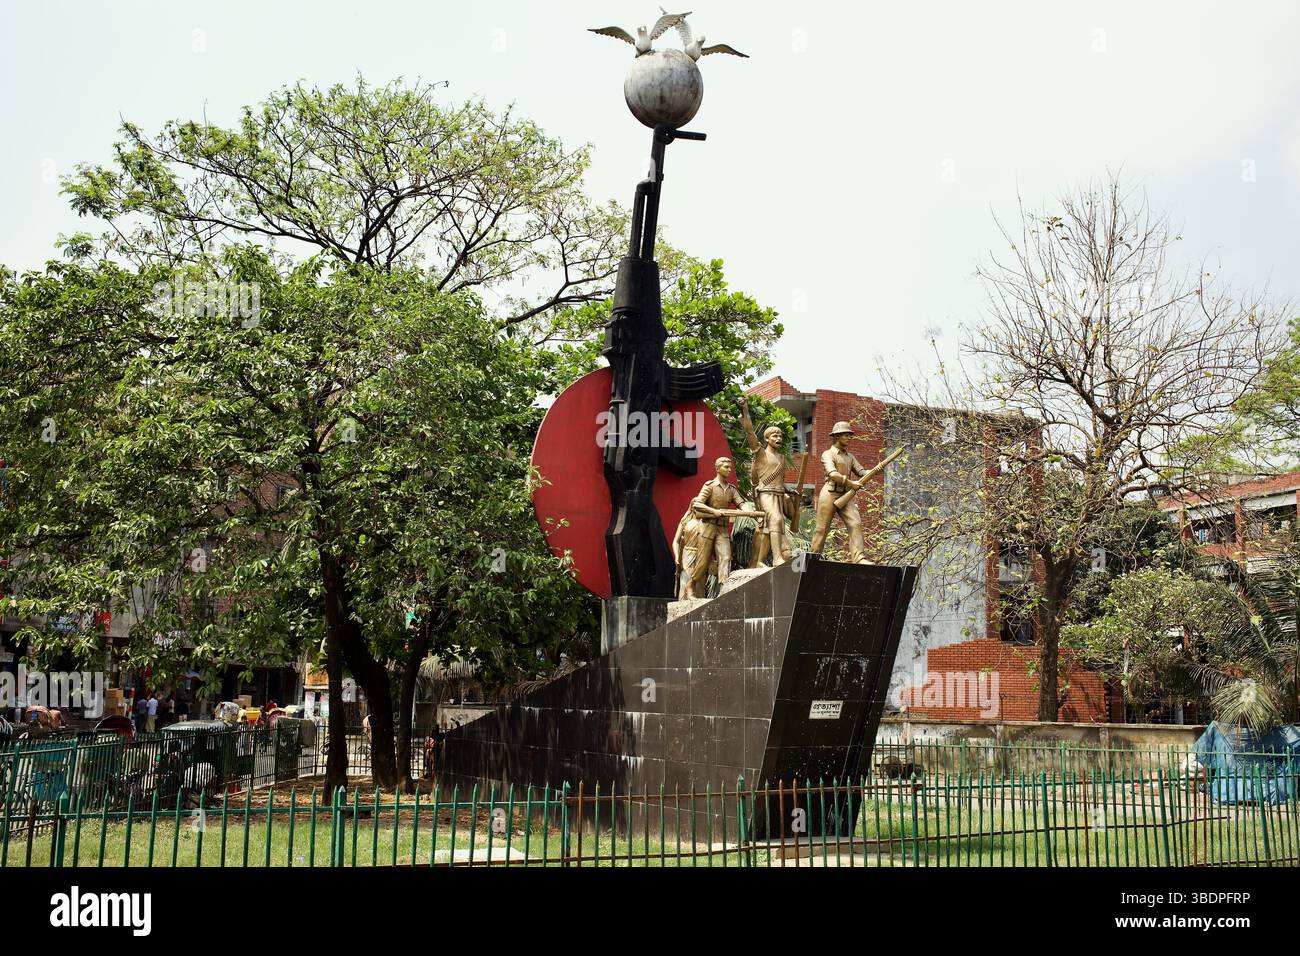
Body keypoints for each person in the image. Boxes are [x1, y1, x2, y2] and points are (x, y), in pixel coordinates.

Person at [680, 456, 750, 600]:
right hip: (707, 527)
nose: (729, 470)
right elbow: (697, 504)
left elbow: (741, 503)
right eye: (726, 467)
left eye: (730, 467)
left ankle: (724, 588)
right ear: (718, 469)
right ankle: (691, 584)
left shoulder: (731, 489)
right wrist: (713, 512)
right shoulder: (710, 486)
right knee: (703, 561)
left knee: (725, 557)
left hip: (722, 530)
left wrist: (748, 509)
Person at [737, 396, 794, 566]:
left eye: (780, 435)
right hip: (766, 494)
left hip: (779, 495)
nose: (778, 438)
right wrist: (745, 410)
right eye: (774, 435)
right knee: (775, 519)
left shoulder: (782, 458)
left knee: (777, 529)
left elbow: (780, 480)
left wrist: (790, 490)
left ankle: (769, 558)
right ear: (767, 439)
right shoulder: (761, 453)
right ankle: (776, 558)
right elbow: (750, 432)